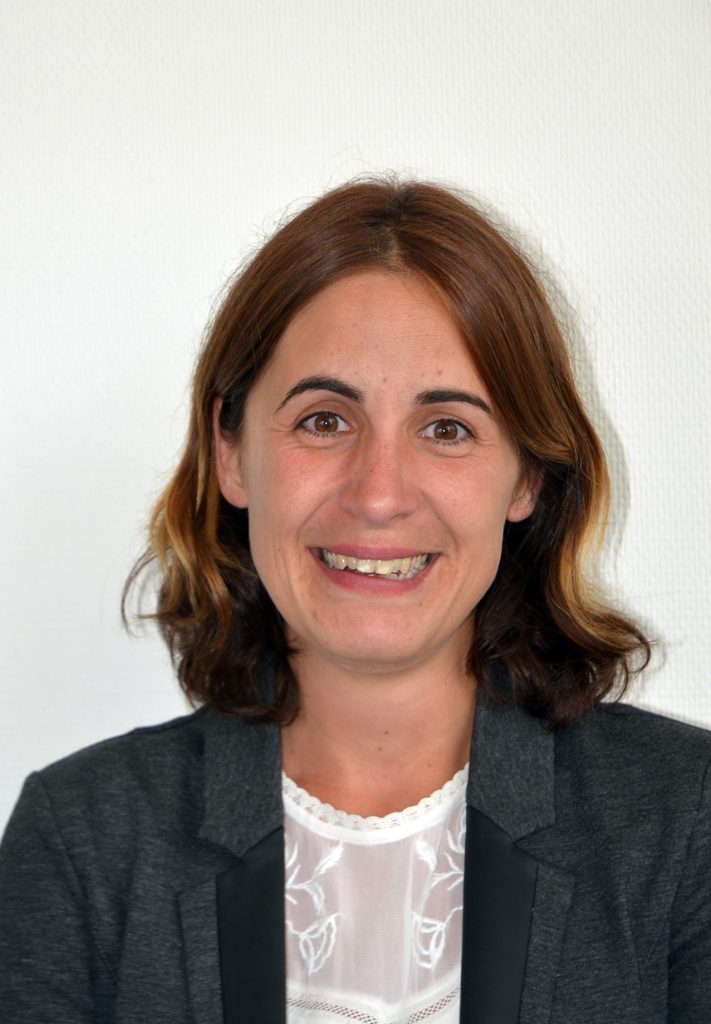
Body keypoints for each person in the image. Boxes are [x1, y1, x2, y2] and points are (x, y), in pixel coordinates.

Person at [0, 178, 709, 1024]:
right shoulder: (81, 839)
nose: (378, 496)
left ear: (526, 476)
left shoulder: (685, 821)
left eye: (446, 428)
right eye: (324, 421)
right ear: (230, 452)